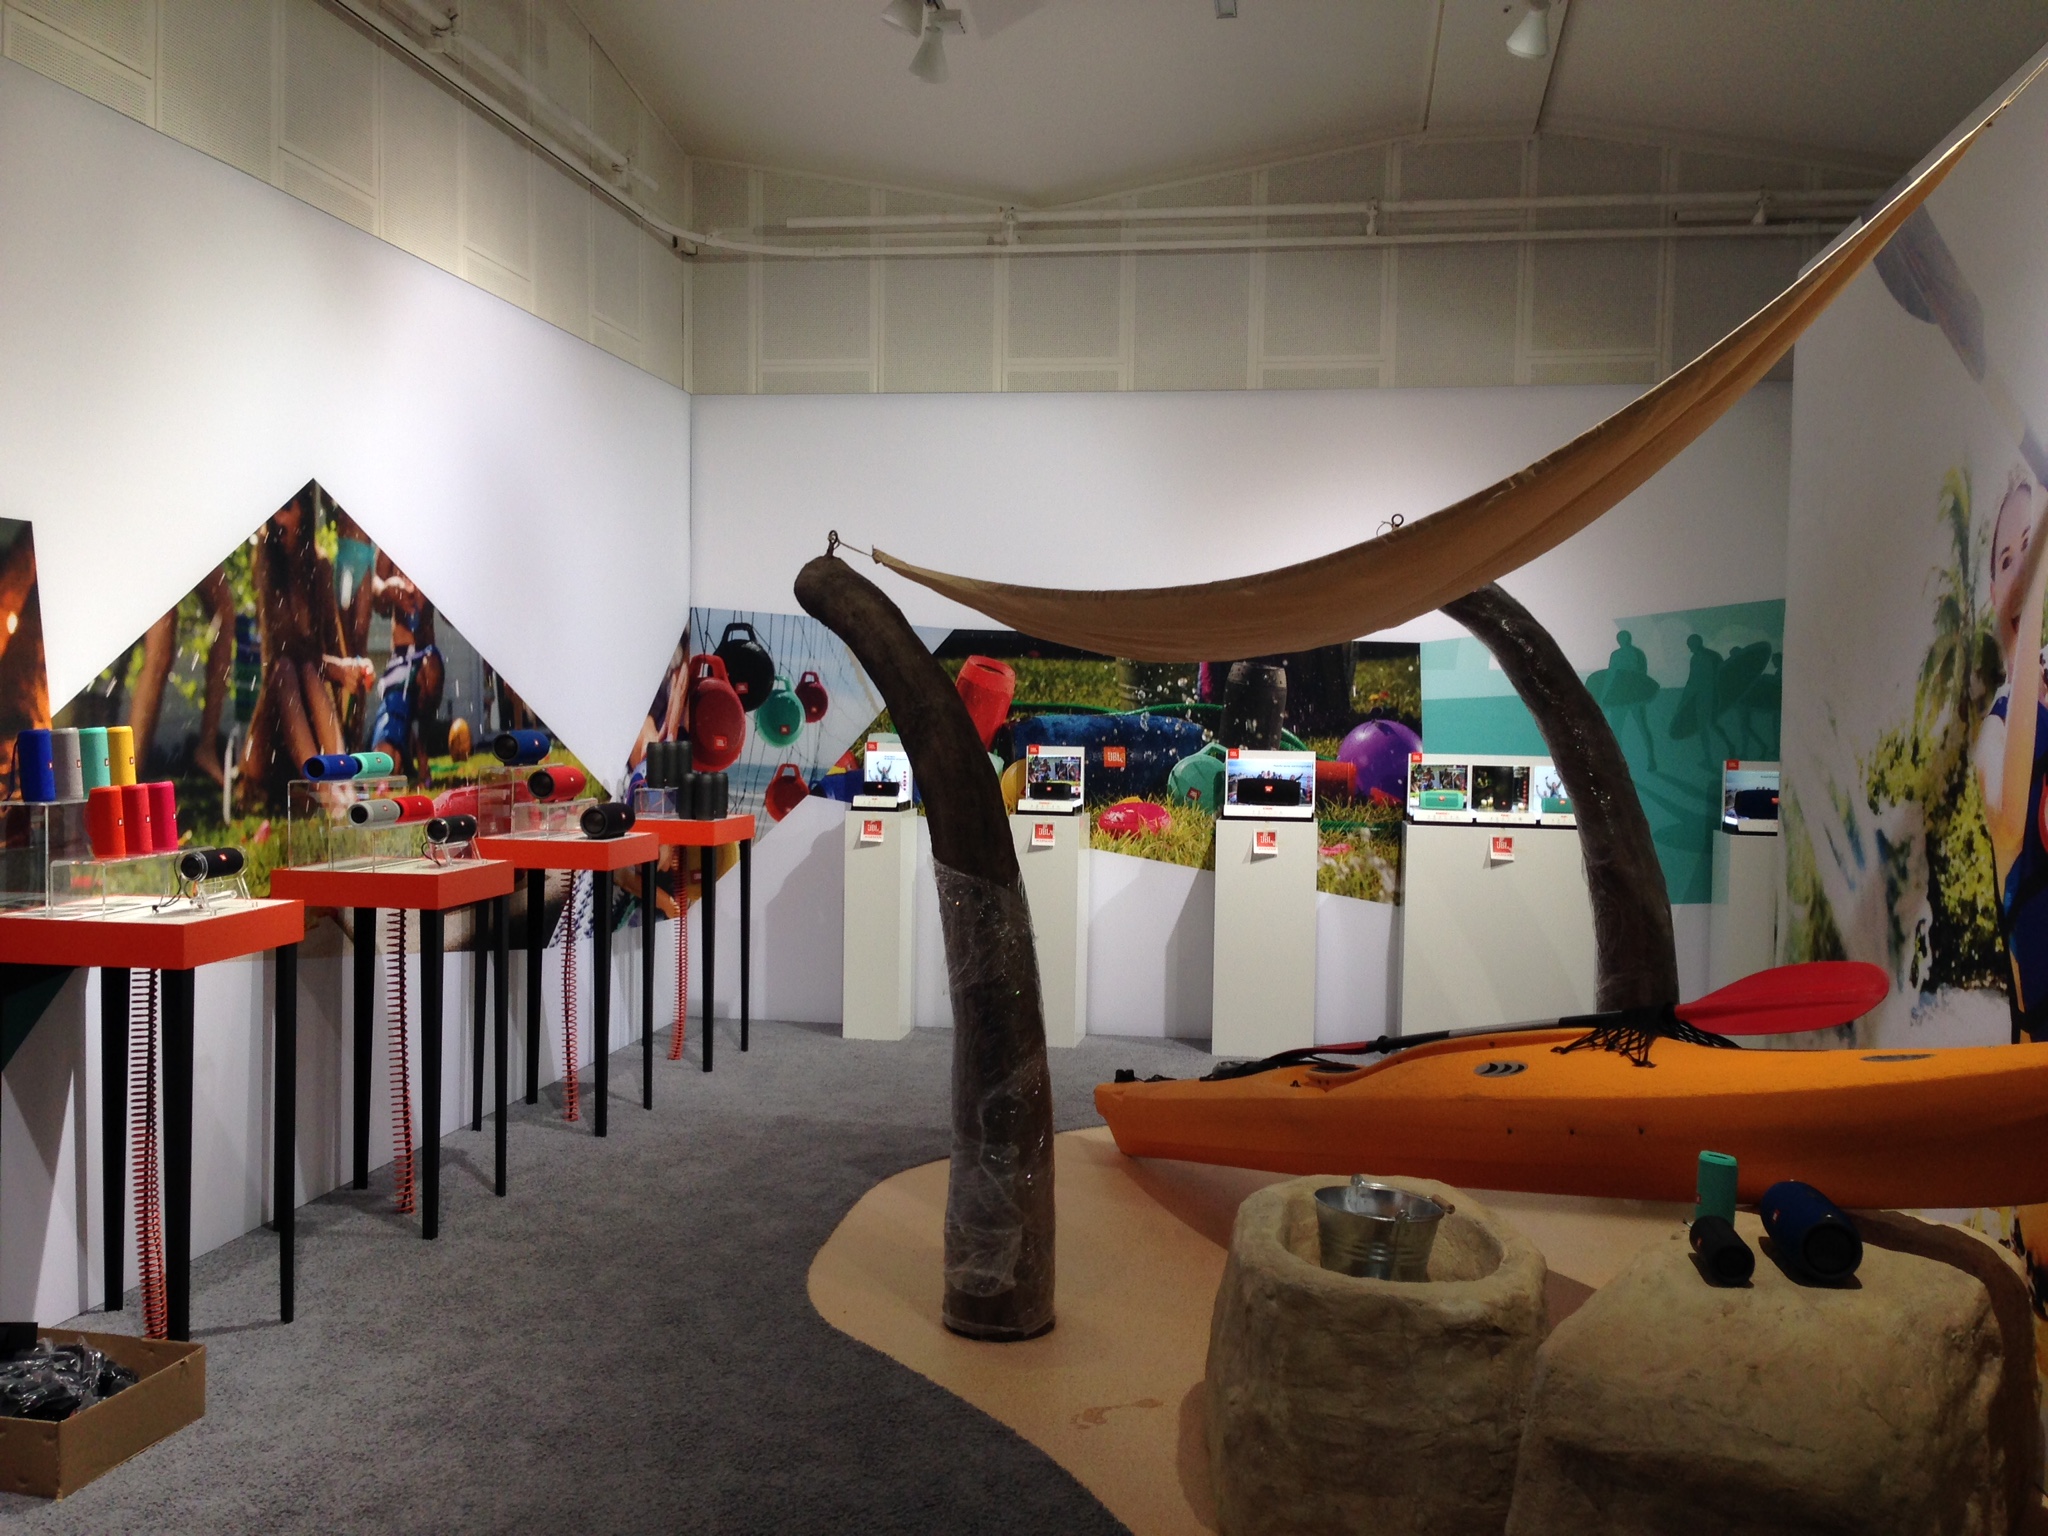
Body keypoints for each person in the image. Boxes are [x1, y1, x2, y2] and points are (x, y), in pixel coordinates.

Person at [1976, 465, 2048, 1038]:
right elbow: (2008, 823)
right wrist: (2036, 583)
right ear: (1993, 592)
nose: (2022, 567)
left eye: (2032, 546)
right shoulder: (1997, 733)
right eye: (2007, 560)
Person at [367, 552, 444, 781]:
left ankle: (422, 751)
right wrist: (387, 590)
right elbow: (375, 590)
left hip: (426, 652)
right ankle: (402, 749)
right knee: (386, 765)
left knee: (431, 671)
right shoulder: (390, 546)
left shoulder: (433, 548)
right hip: (399, 658)